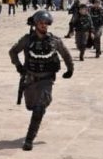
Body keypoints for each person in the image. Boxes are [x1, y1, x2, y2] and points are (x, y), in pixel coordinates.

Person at [9, 10, 74, 151]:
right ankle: (38, 111)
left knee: (40, 107)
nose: (44, 26)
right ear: (35, 24)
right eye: (41, 23)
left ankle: (29, 139)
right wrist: (19, 67)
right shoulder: (27, 40)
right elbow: (13, 51)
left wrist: (70, 69)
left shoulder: (55, 41)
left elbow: (66, 54)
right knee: (31, 106)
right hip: (31, 79)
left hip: (47, 79)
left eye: (46, 23)